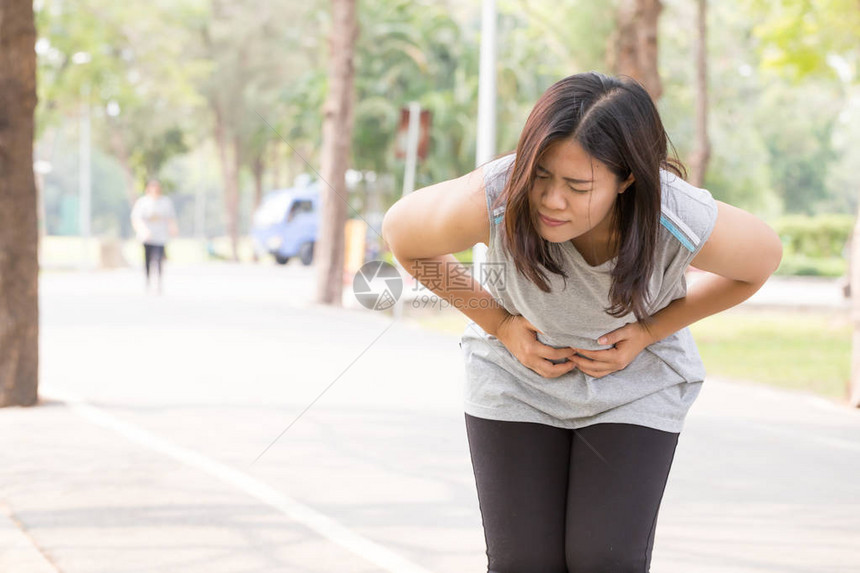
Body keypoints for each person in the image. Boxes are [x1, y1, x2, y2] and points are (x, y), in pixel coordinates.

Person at [381, 71, 782, 572]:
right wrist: (501, 324)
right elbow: (403, 235)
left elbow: (761, 261)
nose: (552, 199)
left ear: (628, 178)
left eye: (578, 185)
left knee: (602, 559)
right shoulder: (503, 194)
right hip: (515, 382)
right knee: (525, 562)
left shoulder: (676, 213)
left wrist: (649, 332)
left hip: (633, 385)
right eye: (543, 175)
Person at [130, 179, 178, 294]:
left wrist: (173, 228)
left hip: (161, 236)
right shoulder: (142, 202)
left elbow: (170, 217)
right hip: (147, 237)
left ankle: (159, 281)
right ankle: (148, 280)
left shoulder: (165, 202)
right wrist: (143, 230)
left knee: (159, 258)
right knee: (147, 259)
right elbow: (136, 219)